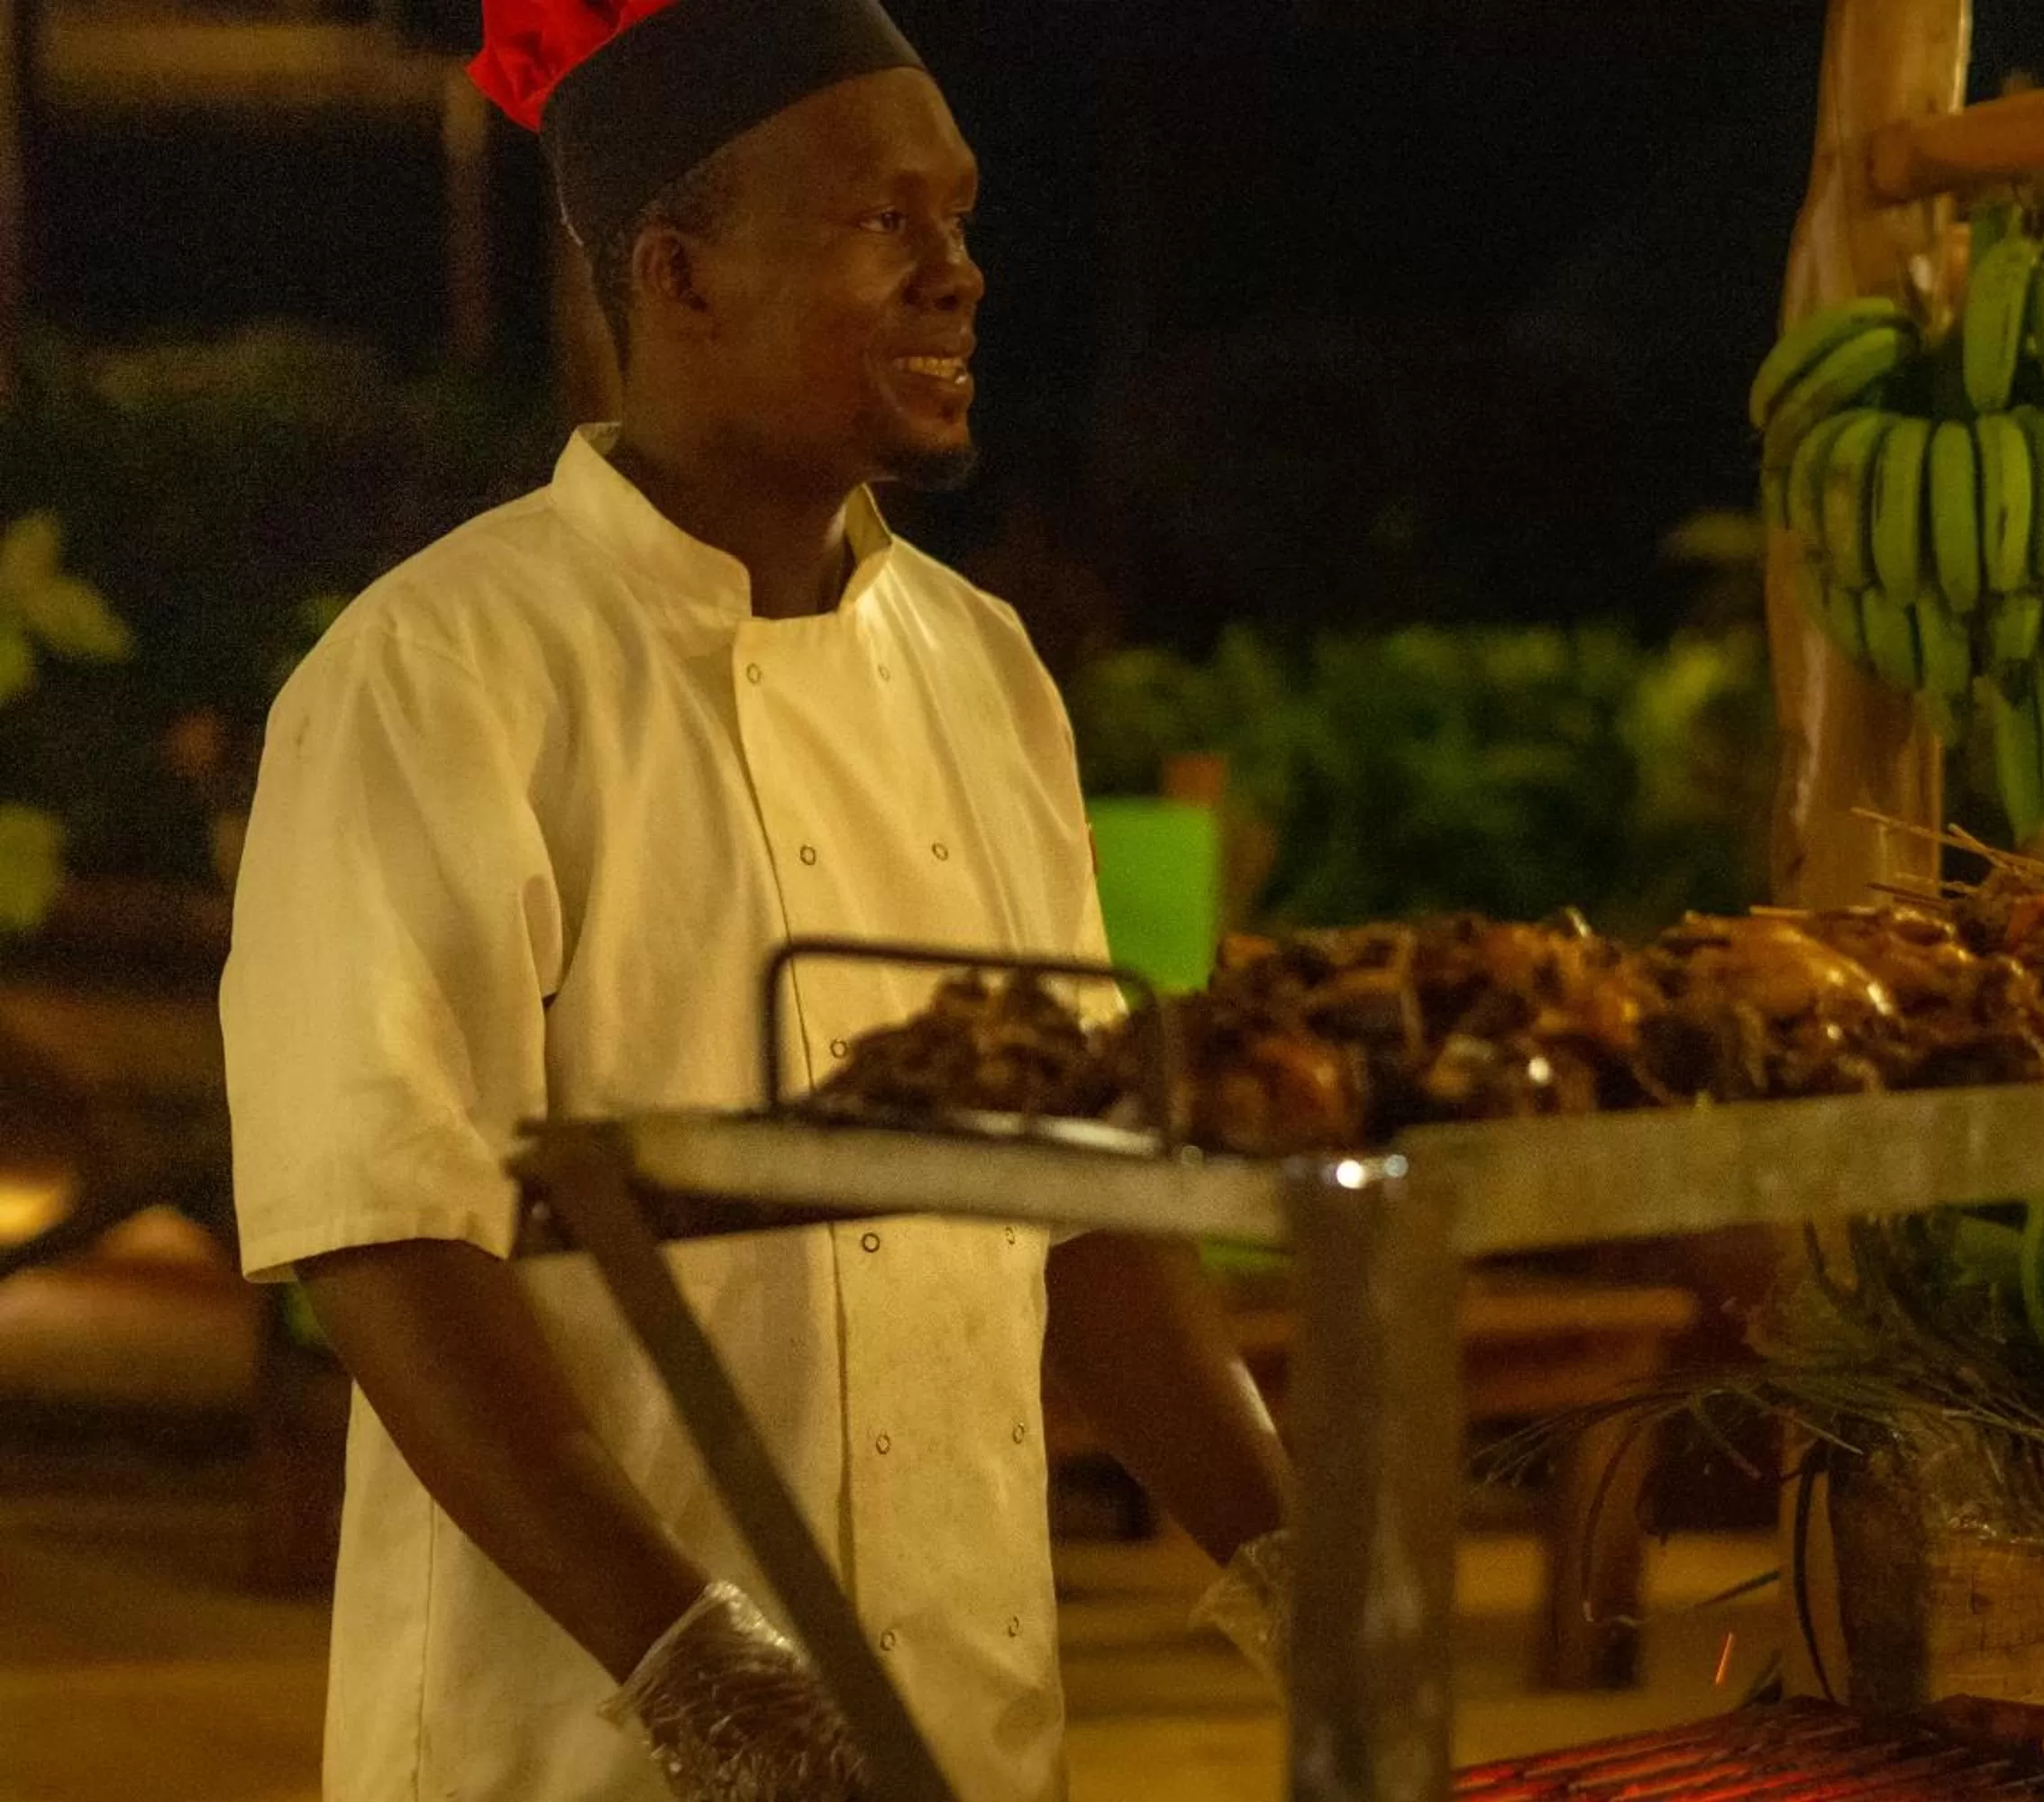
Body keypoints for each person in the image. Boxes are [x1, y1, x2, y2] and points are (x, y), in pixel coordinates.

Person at [219, 2, 1291, 1796]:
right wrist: (694, 1666)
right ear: (680, 274)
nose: (957, 277)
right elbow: (383, 1233)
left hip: (964, 1729)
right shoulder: (438, 672)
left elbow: (1085, 1194)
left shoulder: (982, 668)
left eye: (957, 222)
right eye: (886, 222)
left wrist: (1303, 1559)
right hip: (587, 1741)